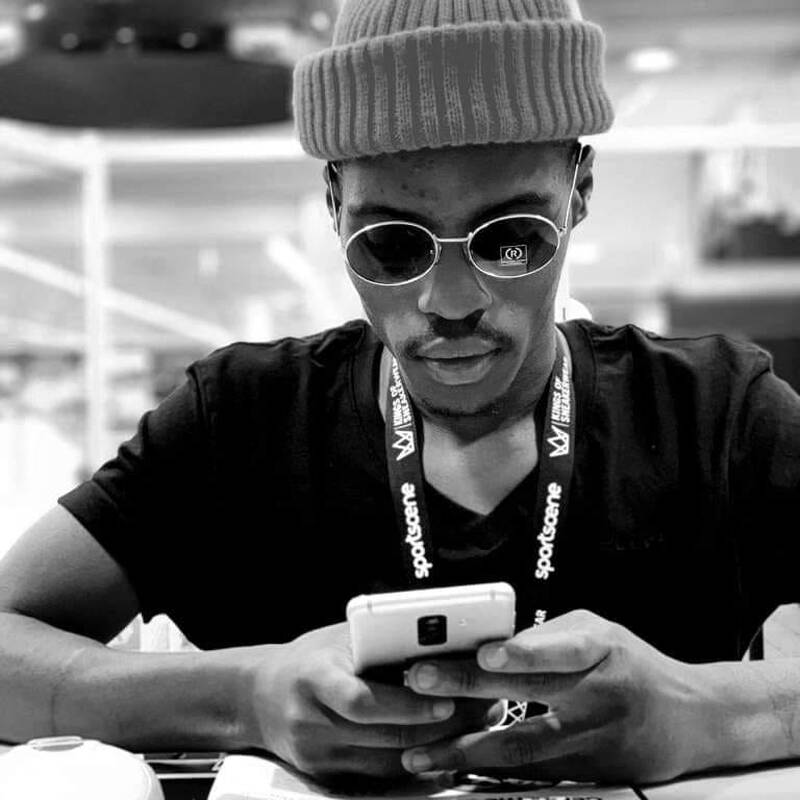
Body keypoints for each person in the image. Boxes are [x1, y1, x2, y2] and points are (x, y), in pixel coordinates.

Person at [1, 0, 799, 788]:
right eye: (391, 245)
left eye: (510, 239)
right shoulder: (241, 423)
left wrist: (703, 714)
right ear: (333, 206)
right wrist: (245, 698)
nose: (450, 302)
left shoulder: (715, 415)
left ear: (579, 191)